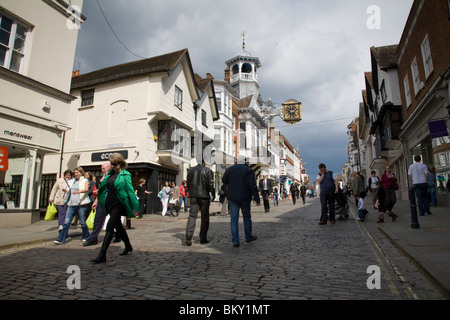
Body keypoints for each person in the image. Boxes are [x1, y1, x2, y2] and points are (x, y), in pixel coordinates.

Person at [91, 153, 140, 264]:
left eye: (115, 164)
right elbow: (103, 188)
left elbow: (130, 191)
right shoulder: (109, 174)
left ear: (121, 163)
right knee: (118, 227)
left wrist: (136, 206)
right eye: (111, 164)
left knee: (109, 227)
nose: (113, 166)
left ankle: (102, 255)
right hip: (109, 204)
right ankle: (128, 246)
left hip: (119, 204)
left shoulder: (125, 174)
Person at [222, 157, 260, 247]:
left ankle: (235, 240)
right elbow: (253, 185)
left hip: (233, 198)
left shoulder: (229, 169)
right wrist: (257, 199)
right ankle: (248, 237)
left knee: (234, 219)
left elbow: (224, 181)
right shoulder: (248, 170)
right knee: (246, 217)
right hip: (245, 197)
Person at [54, 167, 91, 245]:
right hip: (71, 204)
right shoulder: (72, 181)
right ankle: (61, 239)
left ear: (81, 173)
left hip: (81, 204)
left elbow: (86, 189)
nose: (76, 174)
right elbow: (70, 191)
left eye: (77, 172)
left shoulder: (85, 180)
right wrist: (66, 191)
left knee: (83, 222)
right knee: (66, 222)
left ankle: (86, 236)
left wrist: (78, 192)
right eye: (75, 173)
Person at [185, 160, 215, 246]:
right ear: (204, 161)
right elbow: (210, 185)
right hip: (204, 197)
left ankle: (188, 235)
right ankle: (203, 237)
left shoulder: (191, 170)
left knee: (192, 216)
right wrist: (212, 194)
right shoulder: (208, 170)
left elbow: (188, 184)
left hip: (194, 196)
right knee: (204, 217)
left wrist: (191, 193)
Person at [84, 162, 111, 247]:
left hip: (110, 201)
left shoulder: (112, 176)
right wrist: (96, 201)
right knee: (98, 220)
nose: (102, 170)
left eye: (104, 168)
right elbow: (100, 190)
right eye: (102, 168)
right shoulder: (102, 177)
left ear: (109, 168)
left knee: (115, 221)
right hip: (101, 201)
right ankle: (93, 239)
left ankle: (118, 235)